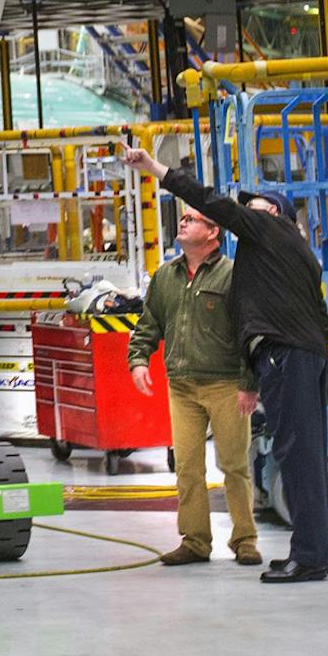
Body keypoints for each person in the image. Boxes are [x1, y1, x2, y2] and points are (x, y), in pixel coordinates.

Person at [123, 147, 328, 582]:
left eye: (252, 208)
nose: (244, 215)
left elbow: (211, 201)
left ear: (272, 213)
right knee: (304, 456)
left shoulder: (268, 231)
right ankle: (314, 551)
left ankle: (308, 557)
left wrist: (155, 168)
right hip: (304, 354)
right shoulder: (293, 252)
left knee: (294, 456)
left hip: (286, 355)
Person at [128, 202, 260, 566]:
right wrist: (138, 360)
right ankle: (196, 541)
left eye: (191, 219)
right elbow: (149, 322)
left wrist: (249, 381)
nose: (182, 223)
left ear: (213, 232)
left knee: (234, 465)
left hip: (226, 385)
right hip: (181, 387)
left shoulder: (234, 276)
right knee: (187, 467)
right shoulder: (165, 277)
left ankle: (245, 539)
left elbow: (250, 332)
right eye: (182, 218)